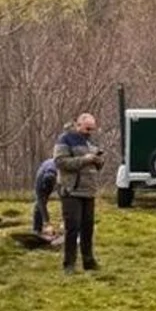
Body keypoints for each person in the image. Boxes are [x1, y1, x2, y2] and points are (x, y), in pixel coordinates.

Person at [53, 113, 105, 273]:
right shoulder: (65, 140)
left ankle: (88, 261)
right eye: (87, 128)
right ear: (78, 125)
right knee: (72, 228)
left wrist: (98, 160)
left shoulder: (90, 141)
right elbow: (60, 162)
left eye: (92, 129)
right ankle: (69, 264)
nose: (89, 132)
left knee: (88, 228)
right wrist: (85, 159)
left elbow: (96, 163)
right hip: (71, 190)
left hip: (88, 191)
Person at [33, 156, 59, 237]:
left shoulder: (59, 173)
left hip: (57, 177)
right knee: (40, 204)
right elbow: (41, 202)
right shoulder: (39, 182)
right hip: (42, 177)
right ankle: (37, 229)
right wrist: (47, 222)